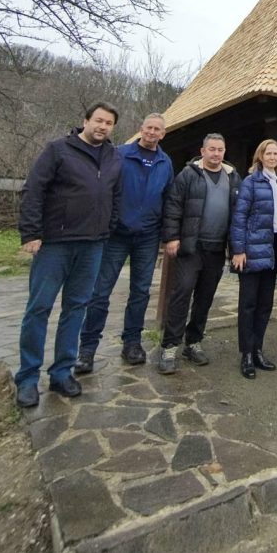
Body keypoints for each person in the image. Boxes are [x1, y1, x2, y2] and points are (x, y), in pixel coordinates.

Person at [14, 103, 123, 408]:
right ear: (85, 120)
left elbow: (116, 196)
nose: (103, 126)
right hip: (56, 244)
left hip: (93, 245)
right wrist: (31, 233)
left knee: (76, 308)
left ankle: (62, 371)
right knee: (39, 309)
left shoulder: (114, 157)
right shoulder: (59, 150)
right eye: (98, 120)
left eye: (109, 123)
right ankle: (27, 378)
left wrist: (108, 228)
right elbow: (34, 190)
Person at [76, 113, 174, 373]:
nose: (152, 132)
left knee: (140, 292)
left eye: (158, 130)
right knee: (100, 291)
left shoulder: (165, 162)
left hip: (148, 236)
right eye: (149, 128)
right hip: (117, 234)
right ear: (140, 129)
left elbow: (169, 200)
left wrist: (167, 235)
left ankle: (132, 342)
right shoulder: (119, 155)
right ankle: (87, 348)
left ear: (163, 134)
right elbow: (104, 190)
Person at [158, 133, 241, 374]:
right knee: (182, 292)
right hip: (192, 246)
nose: (216, 154)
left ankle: (193, 342)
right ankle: (170, 346)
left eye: (220, 150)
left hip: (217, 248)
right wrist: (172, 237)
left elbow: (241, 211)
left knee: (205, 297)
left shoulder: (233, 177)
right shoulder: (188, 175)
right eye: (212, 149)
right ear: (202, 151)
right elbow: (173, 205)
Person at [230, 139, 277, 379]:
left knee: (265, 305)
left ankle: (258, 349)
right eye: (268, 153)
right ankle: (246, 354)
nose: (272, 157)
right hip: (252, 249)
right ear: (260, 156)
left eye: (276, 153)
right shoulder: (251, 182)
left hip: (273, 249)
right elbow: (239, 217)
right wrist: (239, 249)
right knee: (248, 305)